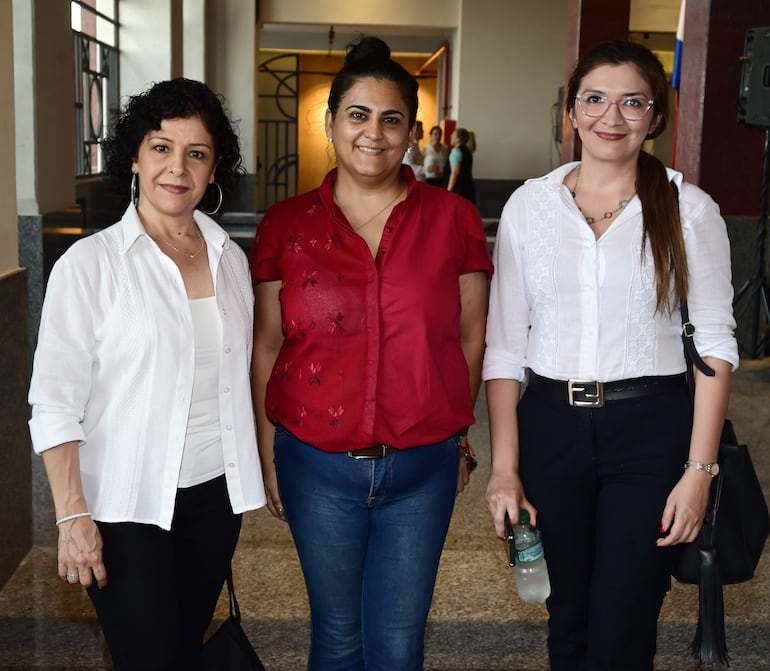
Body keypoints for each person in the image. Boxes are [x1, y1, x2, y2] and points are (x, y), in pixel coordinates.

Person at [483, 40, 738, 671]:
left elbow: (715, 344)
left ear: (655, 117)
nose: (611, 117)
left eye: (632, 103)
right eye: (594, 99)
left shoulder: (688, 209)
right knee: (565, 615)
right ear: (570, 111)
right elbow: (506, 347)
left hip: (649, 432)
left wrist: (698, 472)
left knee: (624, 619)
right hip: (551, 427)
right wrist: (504, 469)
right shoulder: (529, 207)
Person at [250, 36, 492, 671]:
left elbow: (472, 335)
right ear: (330, 124)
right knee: (335, 636)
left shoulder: (453, 219)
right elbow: (267, 343)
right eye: (357, 115)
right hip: (315, 466)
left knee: (397, 643)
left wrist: (460, 436)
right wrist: (266, 453)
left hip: (422, 468)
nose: (373, 134)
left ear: (413, 132)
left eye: (392, 120)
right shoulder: (287, 224)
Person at [28, 78, 265, 671]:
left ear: (214, 170)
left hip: (215, 501)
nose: (176, 168)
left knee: (182, 652)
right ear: (134, 156)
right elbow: (54, 403)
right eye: (161, 147)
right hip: (124, 508)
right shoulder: (90, 265)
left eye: (197, 153)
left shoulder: (230, 259)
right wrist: (71, 514)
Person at [445, 127, 477, 203]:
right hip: (468, 188)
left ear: (458, 139)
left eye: (453, 135)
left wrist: (448, 191)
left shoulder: (456, 151)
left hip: (458, 190)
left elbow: (455, 173)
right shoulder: (468, 150)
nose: (451, 136)